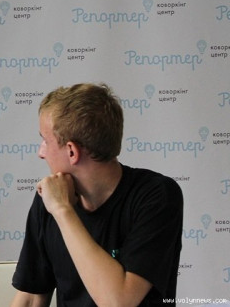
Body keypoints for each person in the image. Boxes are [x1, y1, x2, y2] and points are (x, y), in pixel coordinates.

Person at [11, 83, 183, 306]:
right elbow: (31, 296)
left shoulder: (157, 195)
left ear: (71, 151)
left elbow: (119, 302)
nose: (41, 152)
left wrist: (63, 211)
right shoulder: (49, 200)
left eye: (45, 140)